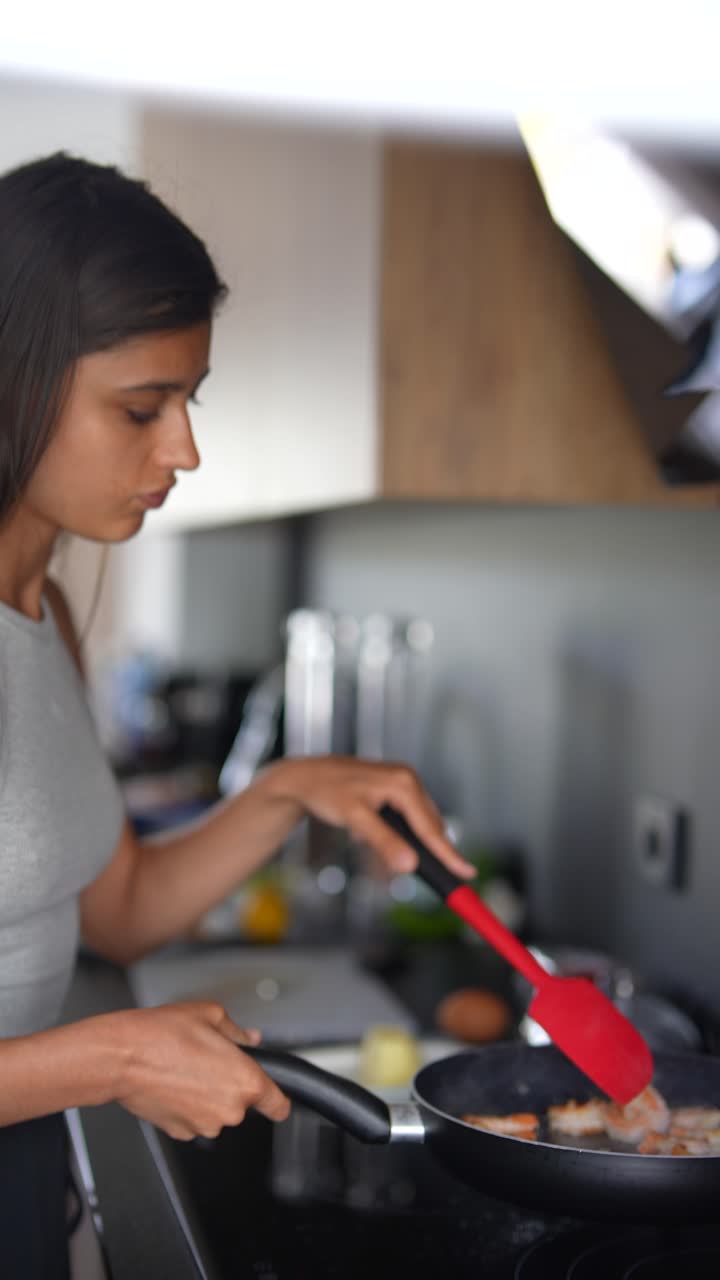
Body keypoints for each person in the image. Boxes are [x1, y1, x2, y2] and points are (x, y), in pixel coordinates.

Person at [0, 152, 474, 1278]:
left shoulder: (45, 612)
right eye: (140, 406)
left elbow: (114, 911)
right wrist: (112, 1054)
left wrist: (282, 794)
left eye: (189, 400)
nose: (184, 450)